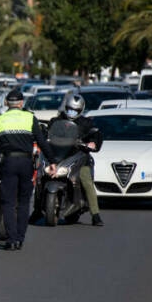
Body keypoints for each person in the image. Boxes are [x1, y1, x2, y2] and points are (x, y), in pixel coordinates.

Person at [0, 89, 58, 251]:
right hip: (26, 162)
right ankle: (20, 238)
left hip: (8, 162)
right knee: (24, 201)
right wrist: (52, 161)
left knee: (8, 202)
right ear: (21, 103)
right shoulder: (30, 118)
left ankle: (11, 239)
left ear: (6, 103)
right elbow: (41, 141)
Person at [47, 93, 104, 226]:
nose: (71, 112)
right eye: (69, 109)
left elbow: (96, 134)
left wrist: (93, 143)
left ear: (81, 110)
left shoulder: (86, 123)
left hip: (79, 157)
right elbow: (48, 130)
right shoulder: (56, 120)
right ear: (65, 107)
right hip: (59, 155)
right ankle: (37, 210)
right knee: (41, 174)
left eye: (75, 110)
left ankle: (95, 214)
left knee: (85, 179)